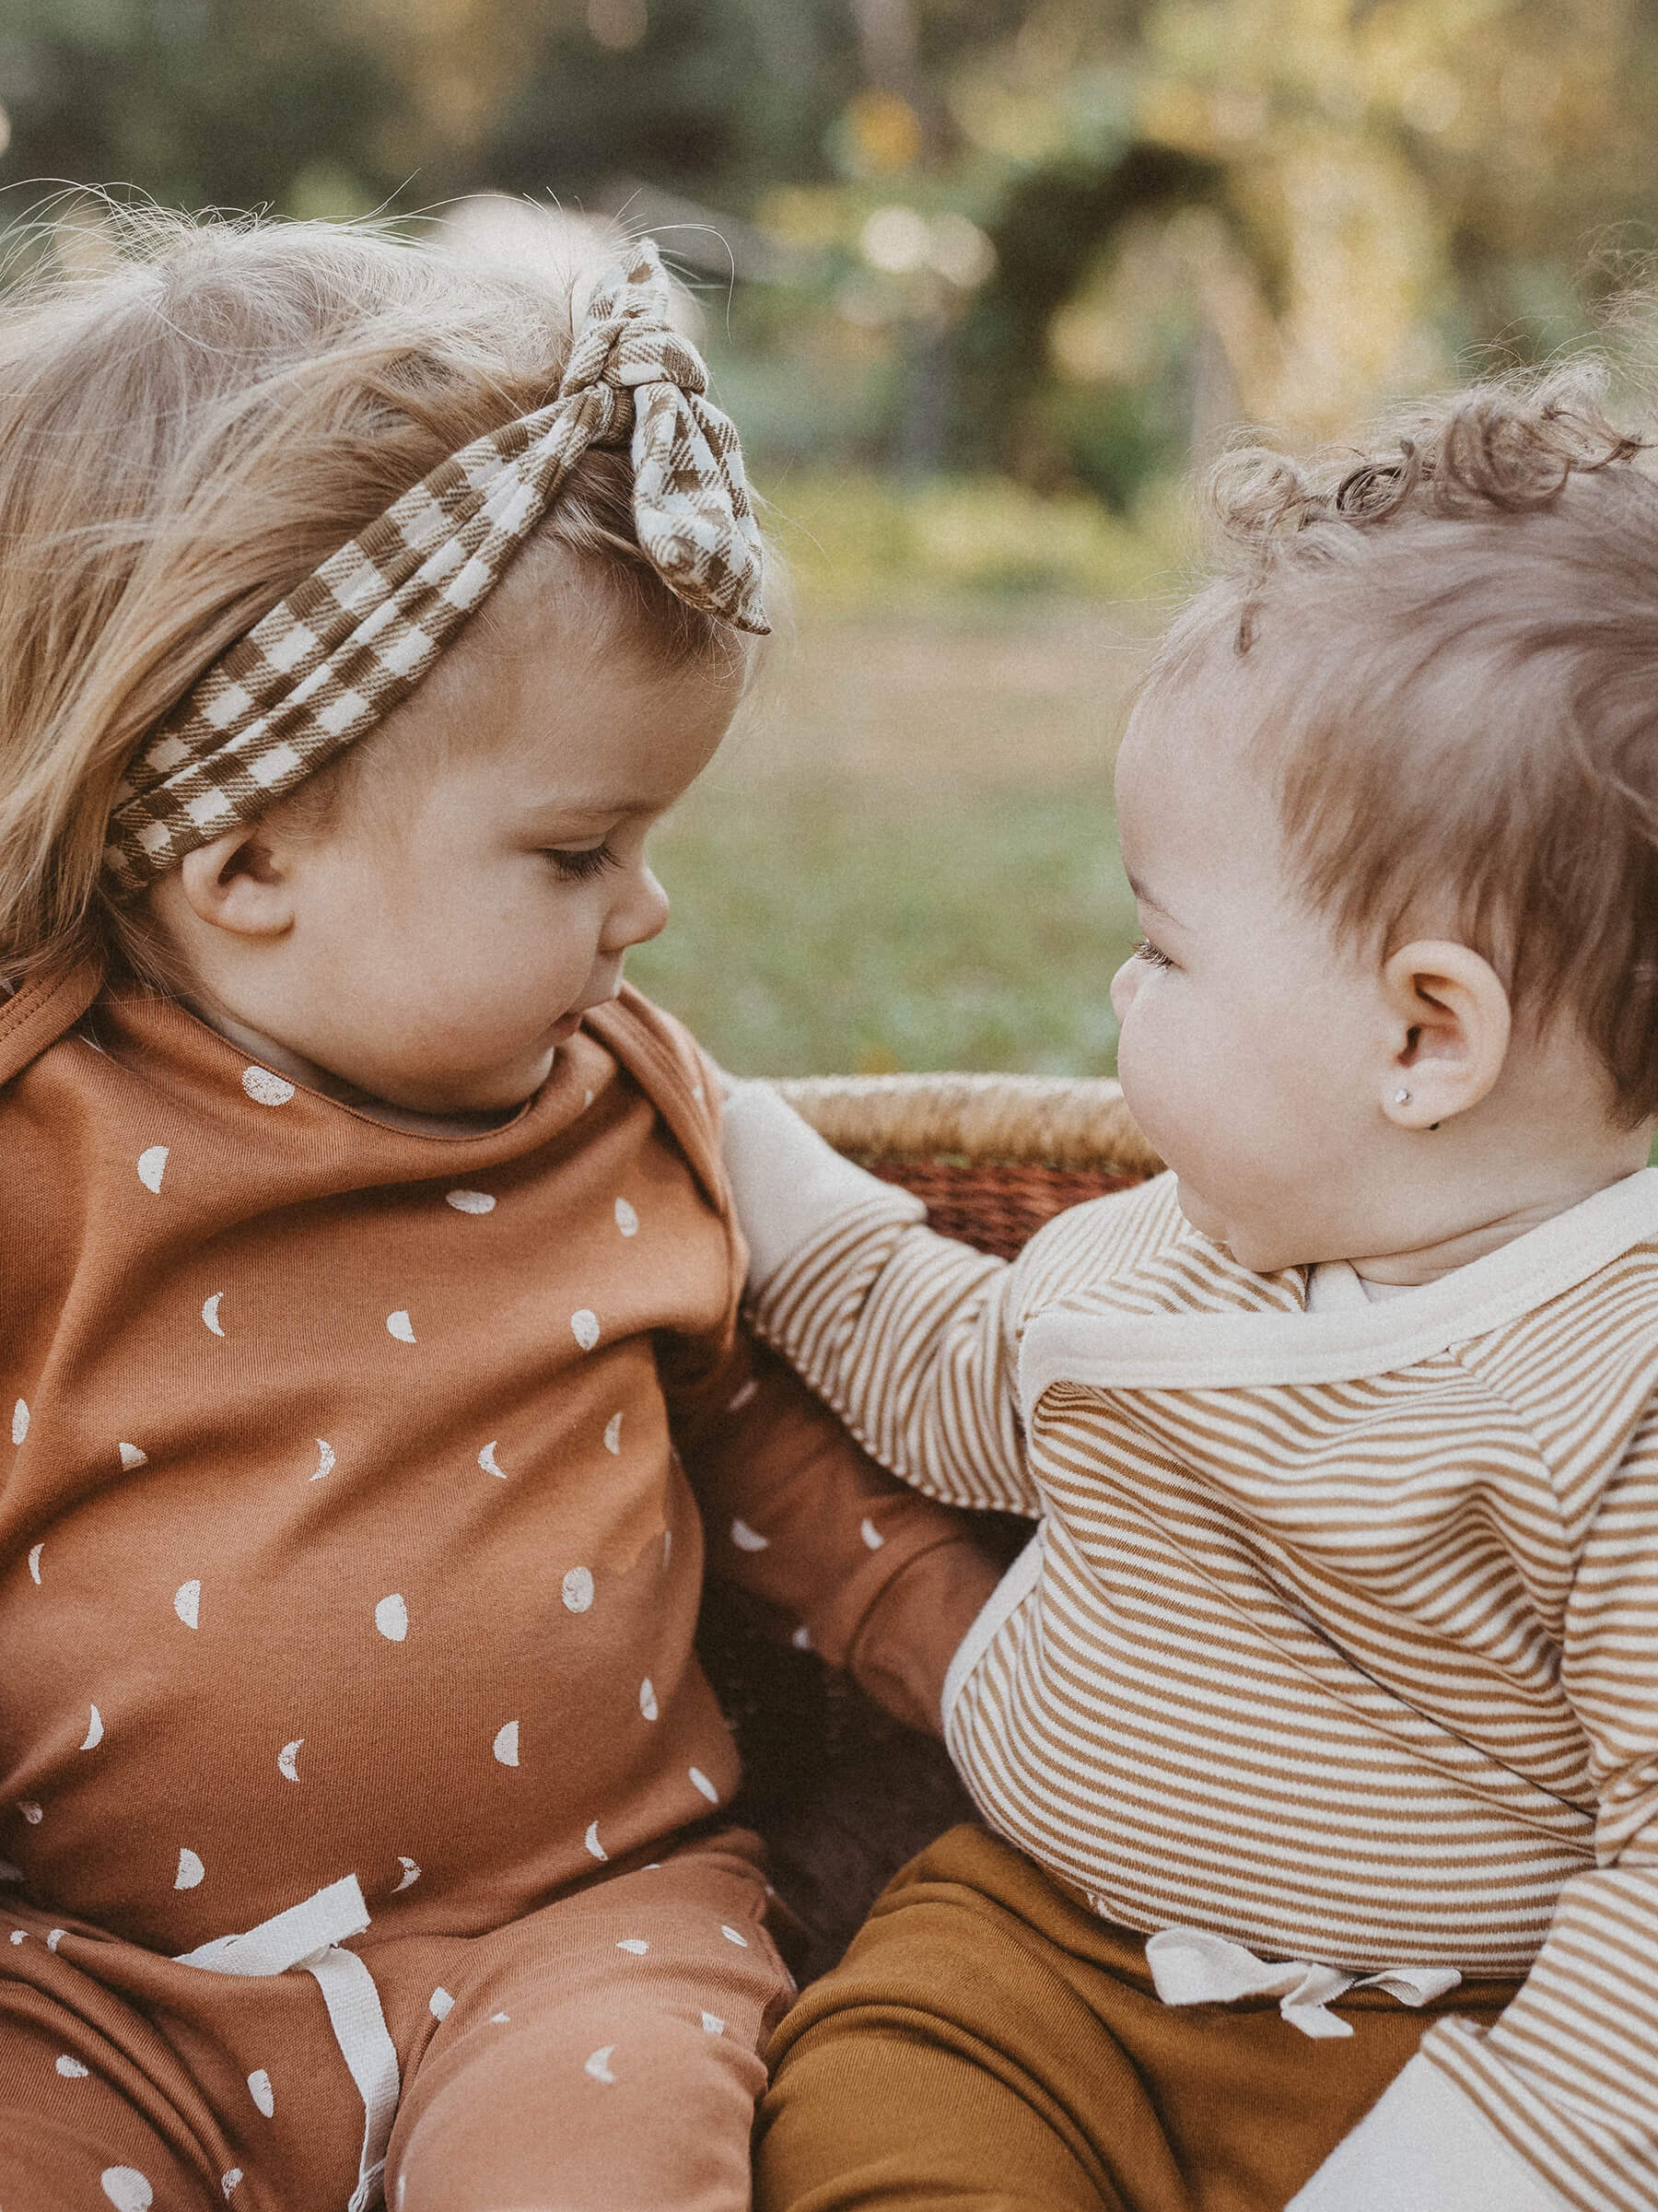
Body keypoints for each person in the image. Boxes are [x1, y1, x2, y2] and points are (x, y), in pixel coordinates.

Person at [0, 213, 998, 2212]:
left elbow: (760, 1452)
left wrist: (1019, 1674)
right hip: (88, 1987)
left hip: (579, 1930)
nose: (648, 911)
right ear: (247, 850)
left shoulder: (621, 1104)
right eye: (577, 847)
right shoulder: (44, 1142)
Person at [719, 375, 1658, 2212]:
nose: (1123, 995)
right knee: (866, 2097)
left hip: (1440, 2031)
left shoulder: (1612, 1387)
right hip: (1045, 1948)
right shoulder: (1191, 1237)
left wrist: (1452, 2175)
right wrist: (757, 1171)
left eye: (1164, 946)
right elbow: (962, 1366)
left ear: (1420, 1032)